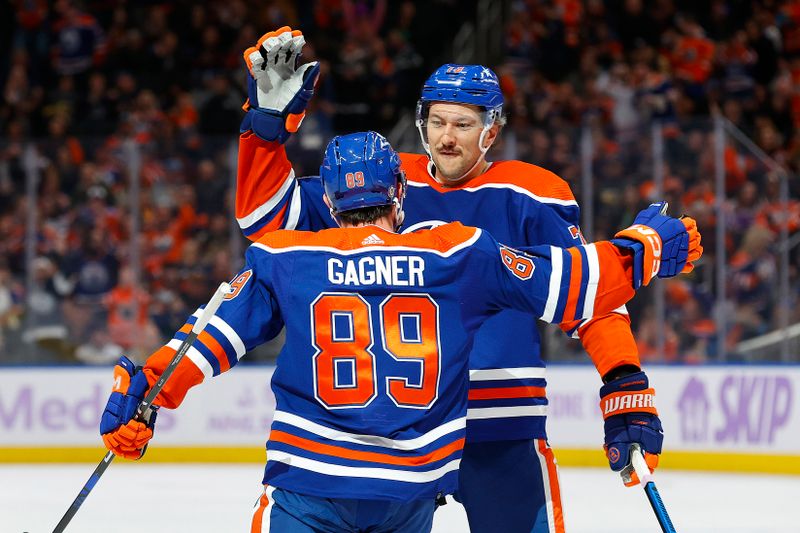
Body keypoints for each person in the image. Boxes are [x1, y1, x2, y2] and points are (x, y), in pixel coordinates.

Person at [100, 130, 701, 532]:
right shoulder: (456, 253)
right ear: (400, 194)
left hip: (312, 484)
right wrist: (643, 248)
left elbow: (206, 339)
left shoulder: (287, 255)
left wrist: (147, 394)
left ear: (330, 203)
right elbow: (574, 285)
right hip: (408, 494)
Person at [234, 27, 678, 532]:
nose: (447, 136)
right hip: (400, 437)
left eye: (464, 124)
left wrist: (623, 380)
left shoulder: (531, 191)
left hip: (500, 424)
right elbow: (265, 220)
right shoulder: (382, 177)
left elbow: (584, 294)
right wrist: (265, 131)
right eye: (438, 121)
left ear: (491, 130)